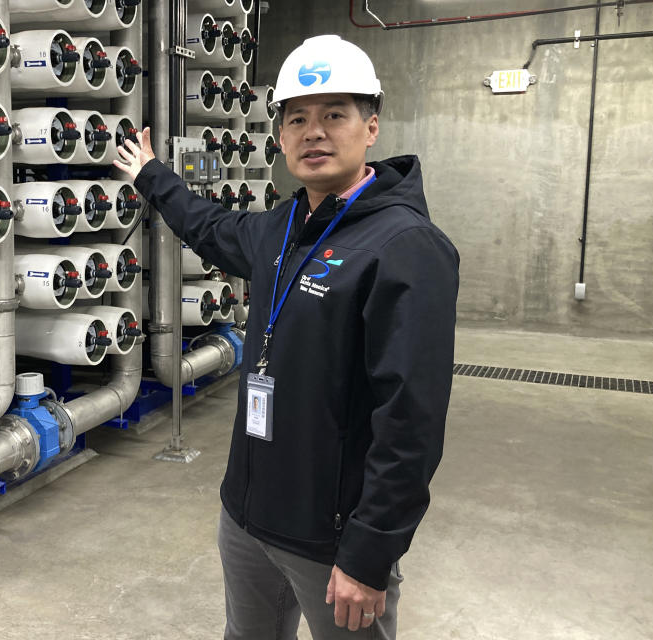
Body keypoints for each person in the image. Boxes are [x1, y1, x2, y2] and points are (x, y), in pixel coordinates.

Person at [114, 34, 459, 640]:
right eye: (298, 118)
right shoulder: (283, 226)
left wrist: (369, 553)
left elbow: (411, 422)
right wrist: (151, 176)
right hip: (247, 517)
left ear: (371, 127)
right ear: (279, 138)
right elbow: (211, 227)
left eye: (334, 115)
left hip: (332, 541)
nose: (314, 132)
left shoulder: (405, 248)